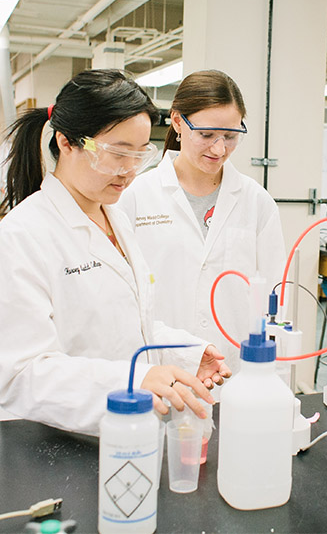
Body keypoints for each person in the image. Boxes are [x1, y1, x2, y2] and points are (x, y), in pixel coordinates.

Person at [0, 69, 231, 436]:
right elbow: (20, 375)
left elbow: (129, 327)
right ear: (66, 142)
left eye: (140, 154)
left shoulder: (116, 218)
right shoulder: (20, 238)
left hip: (122, 434)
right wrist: (134, 379)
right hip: (50, 442)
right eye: (116, 153)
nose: (128, 171)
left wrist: (187, 354)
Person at [119, 70, 285, 371]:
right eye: (207, 135)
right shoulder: (134, 197)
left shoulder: (256, 201)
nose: (219, 149)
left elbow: (276, 298)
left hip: (235, 372)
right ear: (178, 122)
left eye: (231, 136)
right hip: (160, 370)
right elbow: (123, 301)